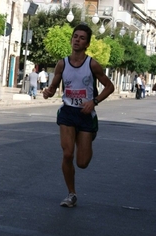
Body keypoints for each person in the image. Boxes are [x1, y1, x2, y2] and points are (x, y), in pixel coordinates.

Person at [43, 24, 114, 208]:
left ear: (87, 44)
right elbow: (53, 87)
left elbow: (109, 86)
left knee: (82, 163)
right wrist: (48, 92)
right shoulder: (62, 64)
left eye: (82, 38)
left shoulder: (92, 64)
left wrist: (94, 101)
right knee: (67, 154)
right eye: (75, 36)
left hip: (85, 114)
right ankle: (71, 193)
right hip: (67, 112)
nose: (77, 40)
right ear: (71, 39)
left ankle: (88, 135)